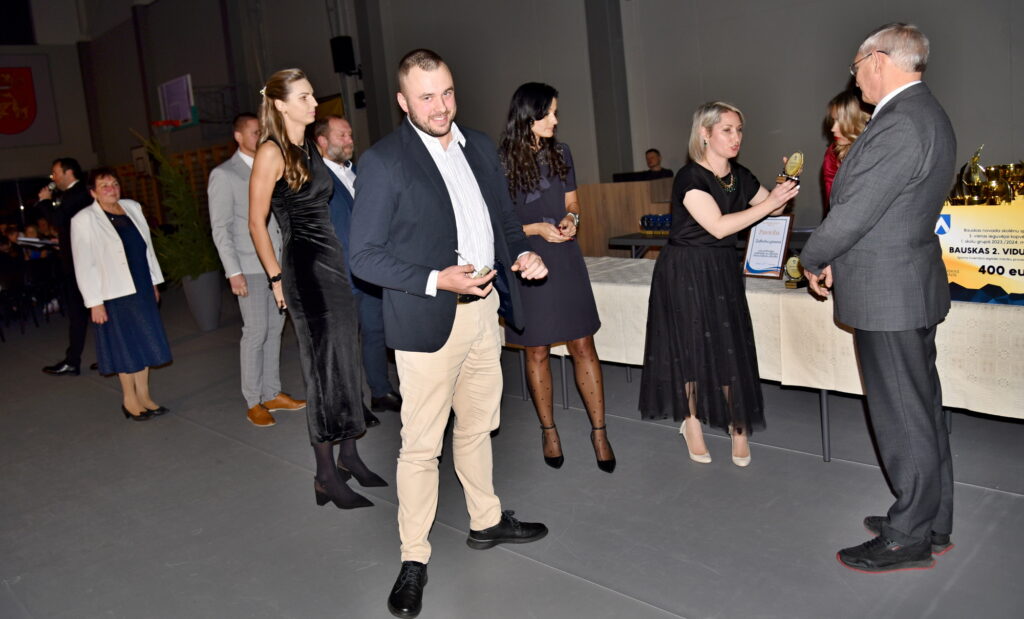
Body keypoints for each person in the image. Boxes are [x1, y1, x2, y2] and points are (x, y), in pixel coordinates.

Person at [349, 49, 550, 619]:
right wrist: (438, 279)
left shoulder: (479, 146)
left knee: (479, 426)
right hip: (426, 320)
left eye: (447, 93)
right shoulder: (384, 161)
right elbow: (363, 256)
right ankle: (414, 557)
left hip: (484, 313)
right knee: (420, 446)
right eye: (426, 97)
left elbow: (503, 222)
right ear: (403, 101)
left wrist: (522, 255)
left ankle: (485, 520)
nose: (440, 107)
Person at [801, 23, 956, 573]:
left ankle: (908, 535)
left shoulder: (901, 122)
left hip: (889, 293)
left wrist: (812, 257)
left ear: (879, 61)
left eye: (856, 65)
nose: (855, 76)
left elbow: (856, 211)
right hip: (906, 284)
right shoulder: (923, 113)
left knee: (903, 417)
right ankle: (932, 520)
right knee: (922, 410)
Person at [248, 68, 385, 512]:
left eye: (312, 96)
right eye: (304, 97)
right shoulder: (270, 151)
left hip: (332, 260)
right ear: (281, 104)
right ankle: (325, 475)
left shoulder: (309, 146)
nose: (313, 103)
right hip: (304, 268)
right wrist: (275, 278)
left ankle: (349, 455)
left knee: (346, 359)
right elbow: (256, 223)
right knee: (323, 370)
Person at [639, 102, 798, 467]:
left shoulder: (739, 174)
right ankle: (692, 422)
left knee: (730, 346)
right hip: (687, 269)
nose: (736, 137)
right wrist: (770, 203)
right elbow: (719, 227)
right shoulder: (689, 177)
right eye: (727, 129)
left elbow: (774, 209)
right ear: (705, 134)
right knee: (691, 347)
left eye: (739, 130)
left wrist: (786, 187)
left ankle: (737, 426)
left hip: (723, 268)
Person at [497, 82, 614, 473]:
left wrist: (571, 219)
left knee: (583, 344)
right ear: (527, 115)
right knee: (536, 350)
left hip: (565, 257)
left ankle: (599, 432)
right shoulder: (500, 162)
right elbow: (497, 225)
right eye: (548, 113)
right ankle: (548, 431)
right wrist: (536, 229)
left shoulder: (561, 153)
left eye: (555, 112)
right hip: (527, 260)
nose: (555, 120)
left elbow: (573, 202)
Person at [208, 112, 307, 428]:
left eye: (263, 130)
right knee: (255, 332)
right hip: (248, 265)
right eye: (254, 131)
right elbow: (220, 228)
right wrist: (232, 271)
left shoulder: (272, 166)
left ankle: (272, 392)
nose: (261, 135)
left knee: (276, 329)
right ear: (238, 136)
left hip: (277, 263)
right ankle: (253, 401)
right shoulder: (224, 175)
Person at [312, 114, 402, 424]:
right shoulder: (316, 179)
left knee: (376, 332)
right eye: (342, 136)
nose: (349, 141)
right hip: (339, 274)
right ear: (322, 141)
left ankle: (381, 391)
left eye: (350, 135)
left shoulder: (358, 172)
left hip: (368, 271)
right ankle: (352, 403)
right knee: (346, 343)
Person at [70, 168, 171, 420]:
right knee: (125, 346)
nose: (111, 189)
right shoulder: (84, 220)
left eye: (114, 183)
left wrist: (153, 282)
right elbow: (84, 264)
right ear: (93, 192)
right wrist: (94, 302)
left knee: (145, 341)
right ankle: (129, 400)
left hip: (142, 286)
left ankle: (145, 396)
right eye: (104, 185)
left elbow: (146, 250)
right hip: (113, 293)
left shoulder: (132, 207)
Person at [38, 158, 92, 376]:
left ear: (68, 173)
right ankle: (75, 359)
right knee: (82, 313)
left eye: (55, 173)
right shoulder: (75, 193)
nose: (53, 177)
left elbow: (58, 220)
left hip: (82, 263)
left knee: (81, 312)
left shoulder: (76, 194)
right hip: (78, 260)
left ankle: (73, 360)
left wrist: (45, 202)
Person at [822, 90, 871, 207]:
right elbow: (832, 203)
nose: (833, 129)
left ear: (859, 121)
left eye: (840, 122)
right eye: (834, 121)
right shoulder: (833, 154)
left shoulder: (879, 150)